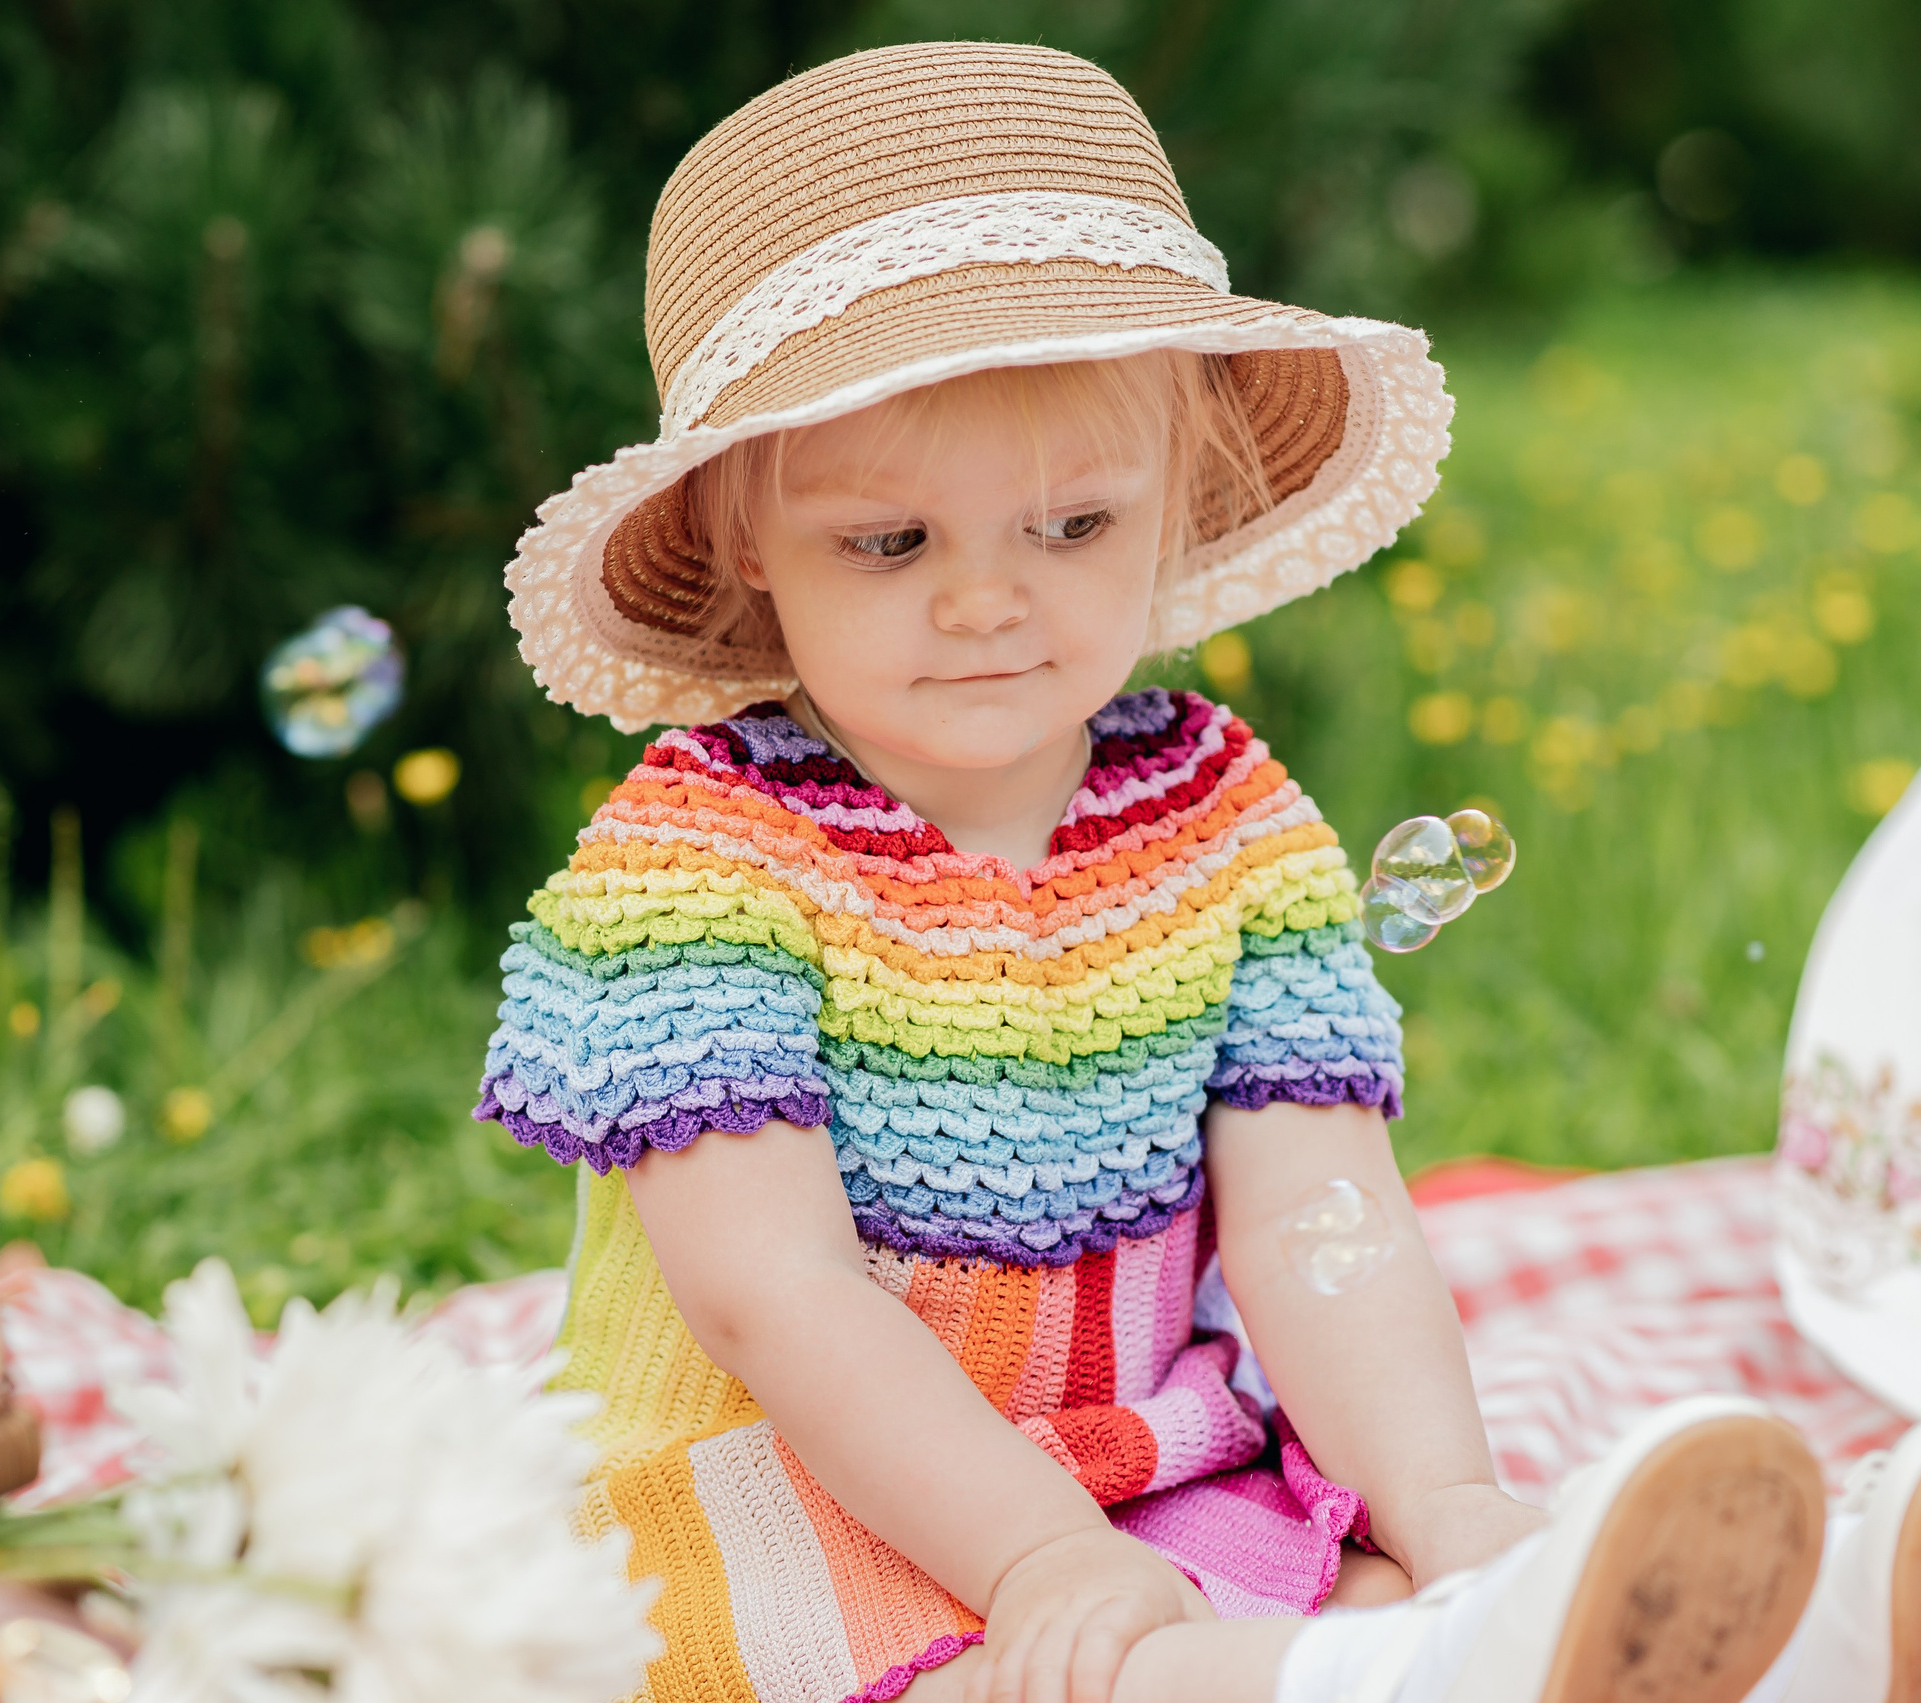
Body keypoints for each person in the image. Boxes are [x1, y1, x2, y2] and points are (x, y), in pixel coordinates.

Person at [472, 41, 1909, 1703]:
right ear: (743, 537)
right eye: (891, 541)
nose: (987, 600)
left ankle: (1781, 1634)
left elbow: (1317, 1216)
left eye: (1072, 526)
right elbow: (769, 1296)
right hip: (796, 1477)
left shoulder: (1213, 810)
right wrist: (1035, 1553)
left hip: (1129, 1450)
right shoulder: (699, 864)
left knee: (1373, 1571)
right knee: (1039, 1672)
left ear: (1173, 496)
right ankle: (1432, 1682)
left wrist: (1448, 1503)